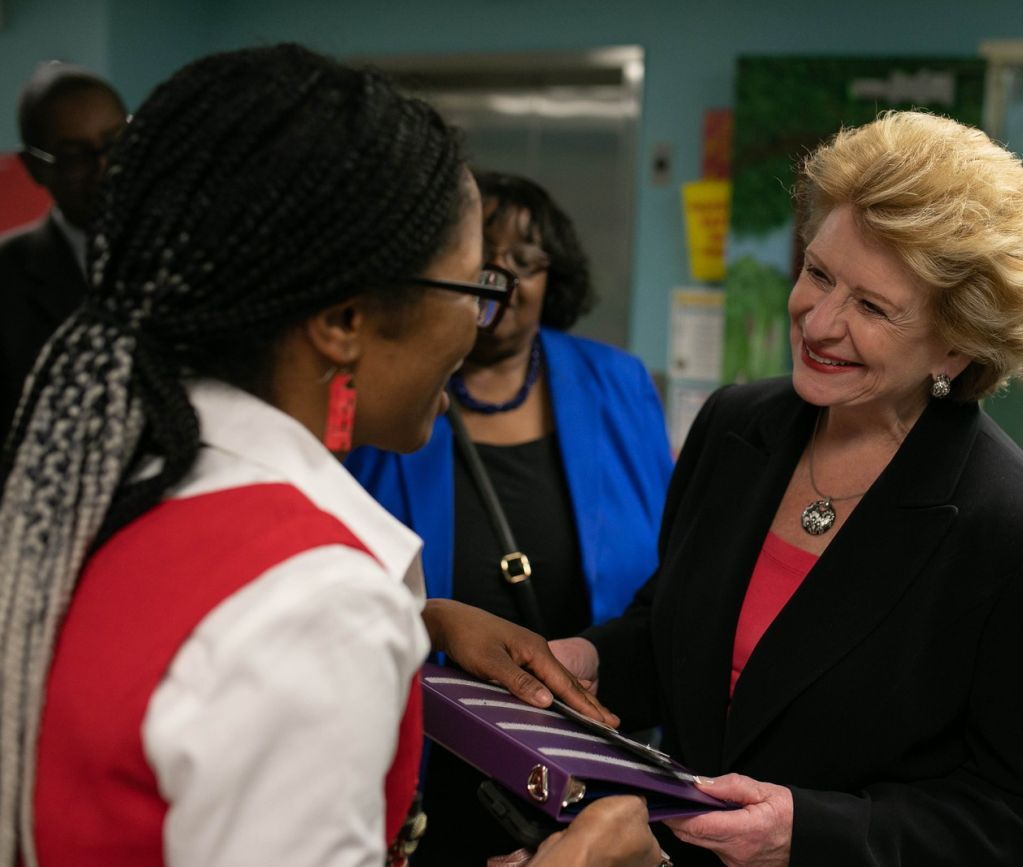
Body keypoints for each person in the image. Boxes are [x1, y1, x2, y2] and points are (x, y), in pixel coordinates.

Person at [0, 44, 661, 867]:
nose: (477, 327)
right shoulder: (319, 602)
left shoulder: (115, 479)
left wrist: (427, 618)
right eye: (469, 290)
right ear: (344, 321)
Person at [554, 111, 1023, 866]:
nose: (817, 322)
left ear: (957, 341)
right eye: (819, 273)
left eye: (872, 306)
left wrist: (809, 832)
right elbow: (678, 635)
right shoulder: (734, 427)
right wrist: (589, 660)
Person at [348, 171, 673, 864]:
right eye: (483, 260)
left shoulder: (616, 382)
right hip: (426, 760)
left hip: (589, 755)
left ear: (555, 275)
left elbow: (670, 571)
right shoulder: (394, 396)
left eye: (525, 258)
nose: (503, 278)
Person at [0, 61, 128, 443]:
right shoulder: (5, 277)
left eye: (115, 143)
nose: (102, 167)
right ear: (35, 168)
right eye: (74, 155)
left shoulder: (186, 255)